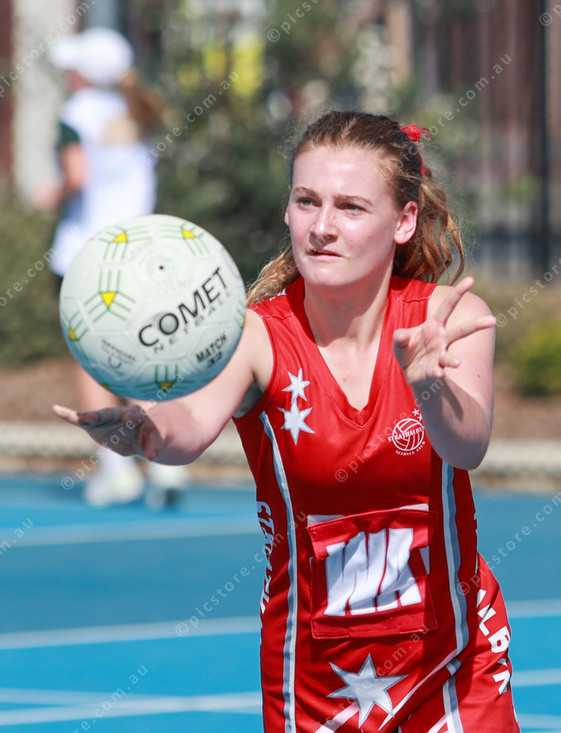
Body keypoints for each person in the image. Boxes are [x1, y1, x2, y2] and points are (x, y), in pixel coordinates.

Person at [54, 110, 519, 730]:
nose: (322, 227)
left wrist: (429, 387)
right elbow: (187, 429)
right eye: (306, 201)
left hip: (455, 661)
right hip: (318, 679)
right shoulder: (257, 335)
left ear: (404, 221)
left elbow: (468, 447)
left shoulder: (447, 318)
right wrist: (141, 432)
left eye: (350, 207)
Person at [38, 27, 187, 508]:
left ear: (84, 72)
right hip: (138, 252)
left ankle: (116, 467)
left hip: (85, 254)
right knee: (141, 356)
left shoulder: (76, 112)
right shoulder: (137, 110)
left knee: (92, 362)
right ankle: (166, 460)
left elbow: (77, 175)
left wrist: (51, 194)